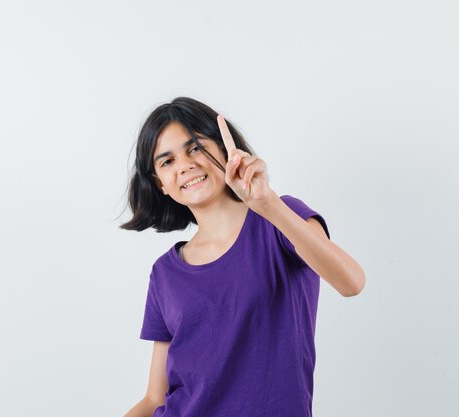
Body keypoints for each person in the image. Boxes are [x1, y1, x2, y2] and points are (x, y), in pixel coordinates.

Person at [120, 97, 366, 417]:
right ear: (160, 184)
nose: (184, 165)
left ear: (225, 148)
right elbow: (155, 398)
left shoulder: (279, 220)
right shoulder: (165, 272)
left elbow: (352, 282)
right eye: (167, 161)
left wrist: (267, 204)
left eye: (195, 147)